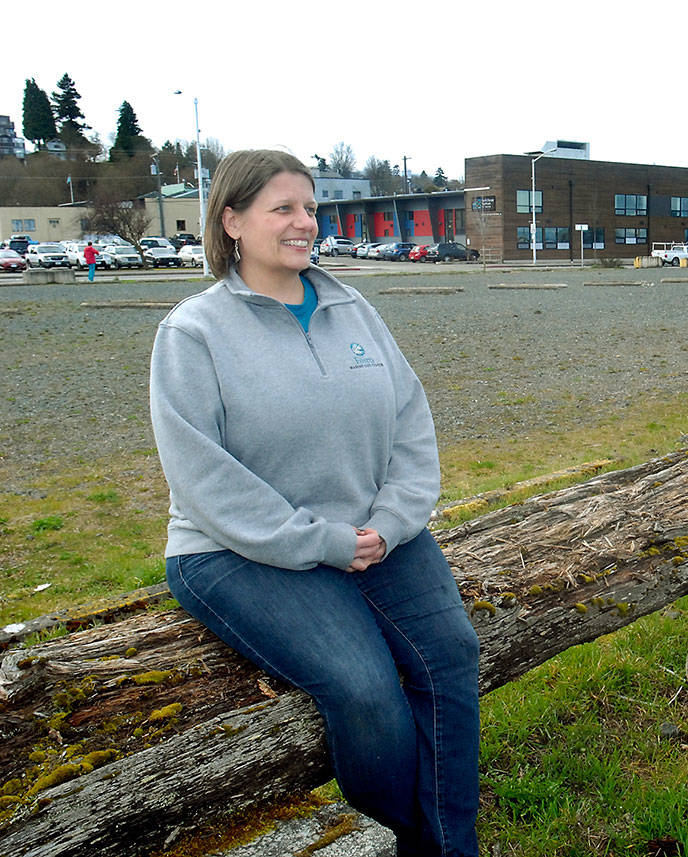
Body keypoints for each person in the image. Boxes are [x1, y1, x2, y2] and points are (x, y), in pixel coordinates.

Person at [148, 149, 480, 857]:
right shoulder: (193, 333)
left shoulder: (350, 307)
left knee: (451, 654)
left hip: (373, 533)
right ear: (232, 220)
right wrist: (322, 542)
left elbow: (410, 424)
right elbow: (203, 478)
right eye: (284, 208)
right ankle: (398, 839)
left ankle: (451, 848)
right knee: (364, 690)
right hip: (235, 550)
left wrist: (390, 526)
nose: (306, 223)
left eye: (312, 208)